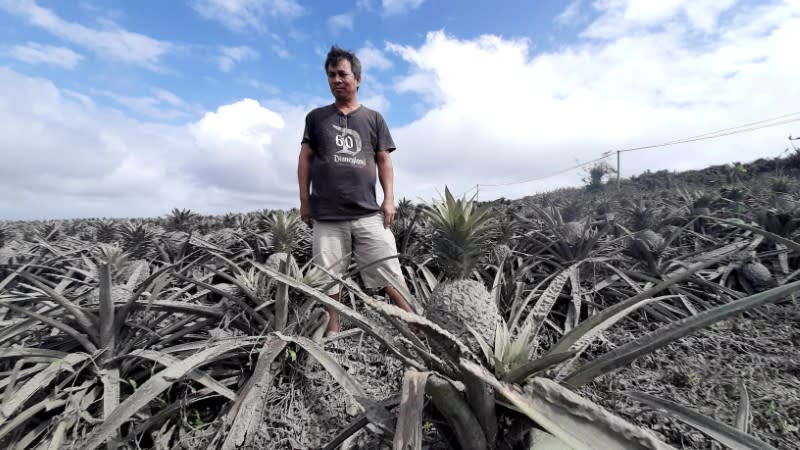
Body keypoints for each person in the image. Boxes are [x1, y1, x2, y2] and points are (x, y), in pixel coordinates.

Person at [297, 46, 414, 336]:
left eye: (342, 74)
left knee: (387, 267)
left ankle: (414, 324)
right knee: (328, 275)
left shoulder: (373, 119)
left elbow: (384, 160)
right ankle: (333, 327)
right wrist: (304, 201)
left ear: (357, 79)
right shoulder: (316, 118)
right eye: (331, 75)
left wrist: (389, 199)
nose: (336, 79)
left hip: (367, 211)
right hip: (327, 214)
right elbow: (305, 160)